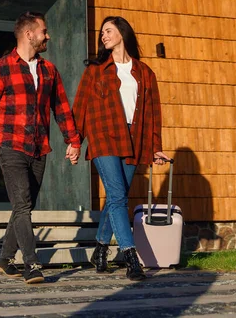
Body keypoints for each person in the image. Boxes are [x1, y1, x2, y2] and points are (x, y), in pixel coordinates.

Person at [0, 11, 81, 284]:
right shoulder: (1, 67)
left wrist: (73, 141)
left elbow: (61, 108)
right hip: (10, 145)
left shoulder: (49, 70)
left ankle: (5, 260)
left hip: (39, 147)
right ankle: (32, 264)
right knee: (23, 206)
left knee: (23, 207)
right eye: (44, 31)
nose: (47, 35)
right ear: (29, 34)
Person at [69, 16, 169, 281]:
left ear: (122, 33)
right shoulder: (96, 69)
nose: (103, 36)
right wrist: (75, 140)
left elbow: (153, 114)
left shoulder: (145, 73)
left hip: (133, 138)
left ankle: (100, 250)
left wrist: (155, 147)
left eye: (108, 31)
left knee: (117, 197)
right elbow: (80, 106)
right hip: (104, 136)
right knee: (117, 194)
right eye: (102, 33)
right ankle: (130, 257)